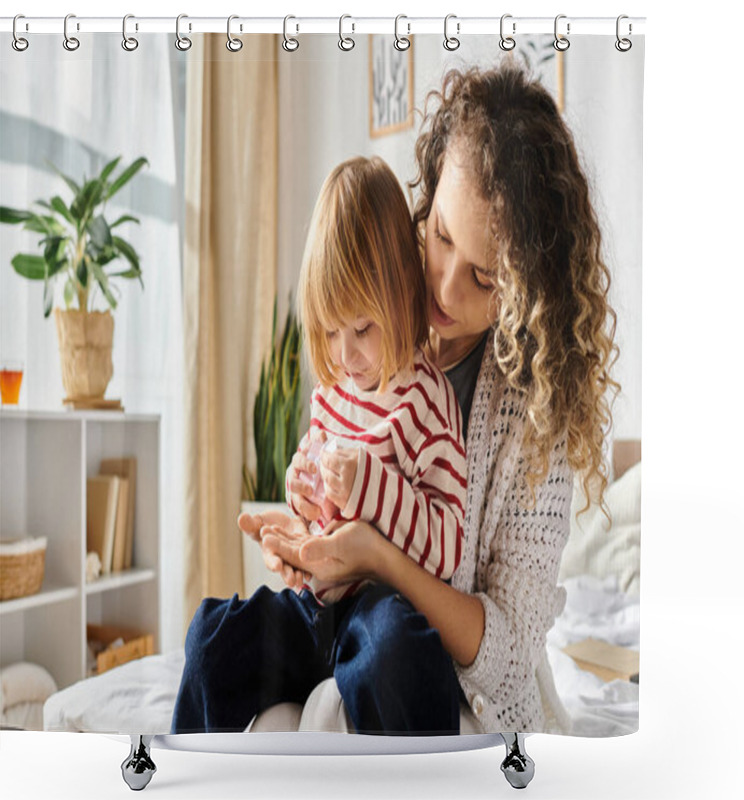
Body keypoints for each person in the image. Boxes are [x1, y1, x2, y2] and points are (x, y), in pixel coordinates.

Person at [254, 61, 619, 735]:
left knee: (336, 714)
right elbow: (334, 456)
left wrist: (374, 554)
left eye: (484, 277)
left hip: (463, 686)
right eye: (442, 236)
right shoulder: (374, 320)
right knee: (246, 681)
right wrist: (306, 535)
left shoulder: (534, 413)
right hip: (345, 631)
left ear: (529, 288)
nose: (445, 290)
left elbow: (506, 659)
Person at [171, 156, 466, 735]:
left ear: (402, 297)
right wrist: (301, 492)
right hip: (313, 609)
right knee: (210, 636)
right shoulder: (330, 394)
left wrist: (371, 487)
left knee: (394, 657)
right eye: (330, 331)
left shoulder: (427, 403)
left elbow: (447, 547)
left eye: (362, 329)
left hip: (380, 610)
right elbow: (314, 499)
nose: (345, 354)